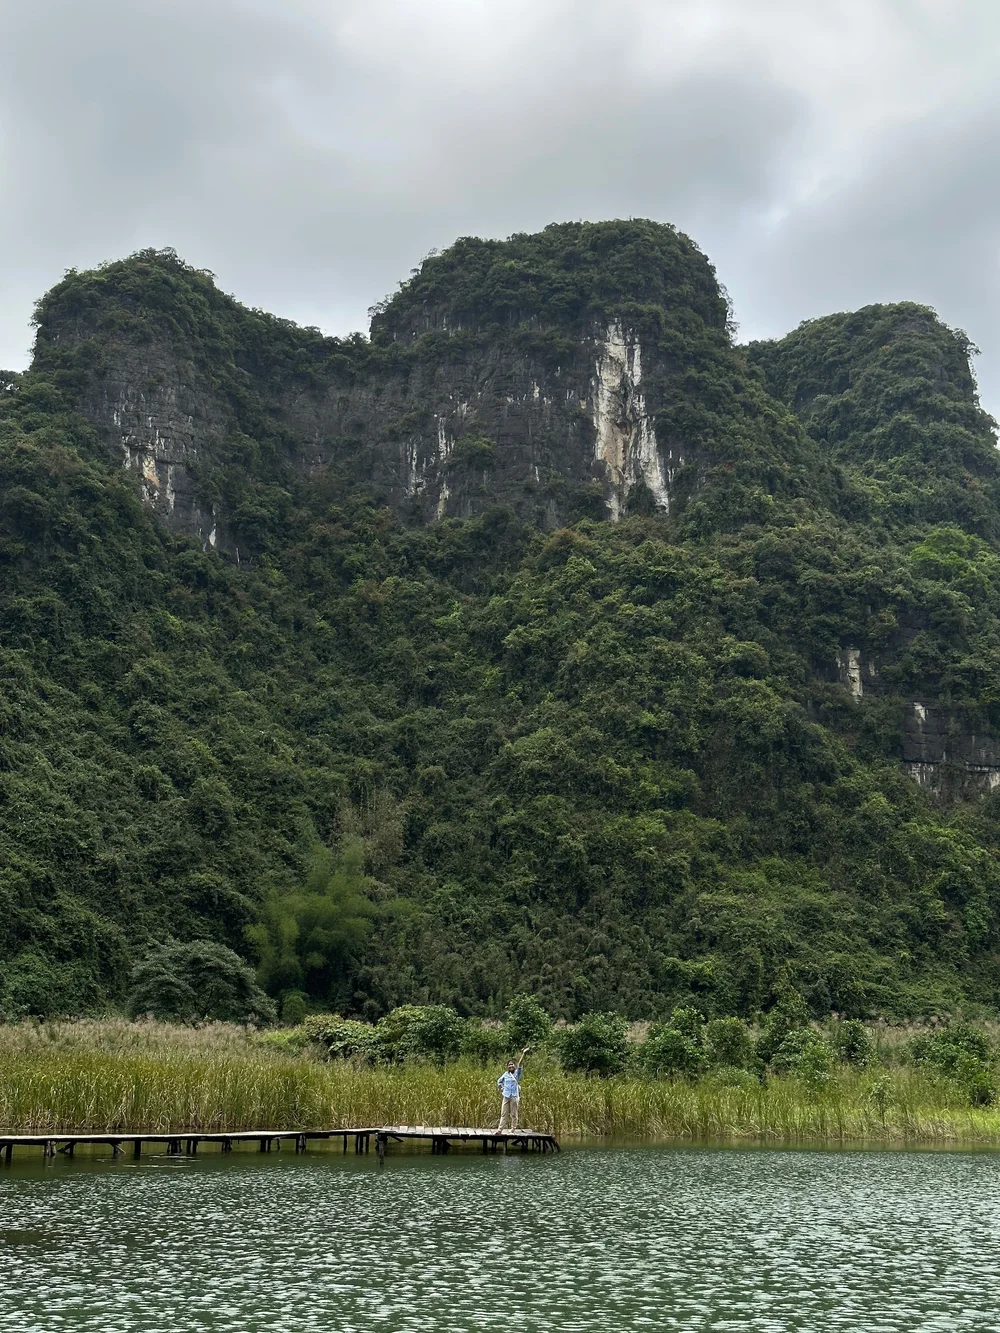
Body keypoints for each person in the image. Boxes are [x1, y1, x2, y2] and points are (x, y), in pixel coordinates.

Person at [497, 1046, 529, 1131]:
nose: (510, 1066)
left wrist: (524, 1054)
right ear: (507, 1066)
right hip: (506, 1096)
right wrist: (502, 1088)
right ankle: (500, 1129)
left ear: (514, 1066)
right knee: (503, 1113)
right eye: (509, 1065)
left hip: (514, 1096)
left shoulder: (517, 1073)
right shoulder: (505, 1074)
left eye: (512, 1064)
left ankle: (513, 1129)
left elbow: (520, 1063)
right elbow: (499, 1081)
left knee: (514, 1114)